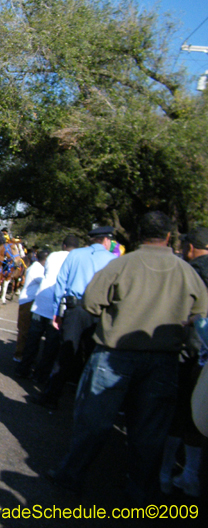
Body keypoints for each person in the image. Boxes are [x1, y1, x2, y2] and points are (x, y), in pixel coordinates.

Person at [48, 212, 208, 504]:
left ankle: (71, 475)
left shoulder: (121, 264)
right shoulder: (187, 272)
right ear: (170, 237)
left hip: (114, 355)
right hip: (164, 360)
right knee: (150, 431)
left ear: (137, 235)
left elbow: (91, 303)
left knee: (93, 421)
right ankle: (139, 491)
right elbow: (201, 313)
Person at [31, 226, 115, 409]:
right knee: (93, 357)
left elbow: (61, 283)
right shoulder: (113, 260)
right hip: (99, 312)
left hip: (74, 308)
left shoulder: (75, 255)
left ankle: (50, 397)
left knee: (66, 353)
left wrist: (57, 312)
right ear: (107, 241)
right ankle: (85, 403)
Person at [159, 226, 208, 497]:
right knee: (198, 418)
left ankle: (165, 472)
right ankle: (190, 473)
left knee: (177, 412)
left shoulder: (191, 272)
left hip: (190, 352)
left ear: (190, 248)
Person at [16, 234, 79, 382]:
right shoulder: (77, 259)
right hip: (58, 306)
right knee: (51, 344)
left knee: (33, 338)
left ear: (63, 245)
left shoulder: (53, 256)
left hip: (40, 302)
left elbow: (46, 273)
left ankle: (23, 369)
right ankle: (40, 375)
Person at [13, 249, 48, 362]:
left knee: (27, 330)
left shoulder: (39, 267)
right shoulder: (36, 269)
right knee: (24, 330)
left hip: (31, 301)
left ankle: (23, 354)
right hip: (28, 302)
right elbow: (45, 281)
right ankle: (19, 354)